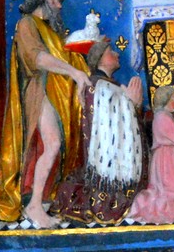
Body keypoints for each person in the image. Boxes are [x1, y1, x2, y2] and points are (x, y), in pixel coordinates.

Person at [0, 0, 91, 229]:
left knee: (57, 145)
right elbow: (36, 58)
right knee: (53, 143)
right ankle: (34, 205)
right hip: (40, 89)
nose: (58, 6)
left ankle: (42, 200)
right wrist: (74, 72)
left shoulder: (50, 30)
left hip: (55, 93)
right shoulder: (27, 24)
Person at [54, 39, 145, 224]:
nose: (118, 54)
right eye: (111, 51)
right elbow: (110, 123)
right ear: (100, 60)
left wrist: (133, 104)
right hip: (105, 163)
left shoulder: (110, 86)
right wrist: (131, 103)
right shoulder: (100, 87)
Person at [125, 86, 174, 224]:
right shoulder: (162, 117)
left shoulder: (165, 116)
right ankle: (145, 207)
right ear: (165, 100)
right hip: (168, 161)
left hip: (171, 157)